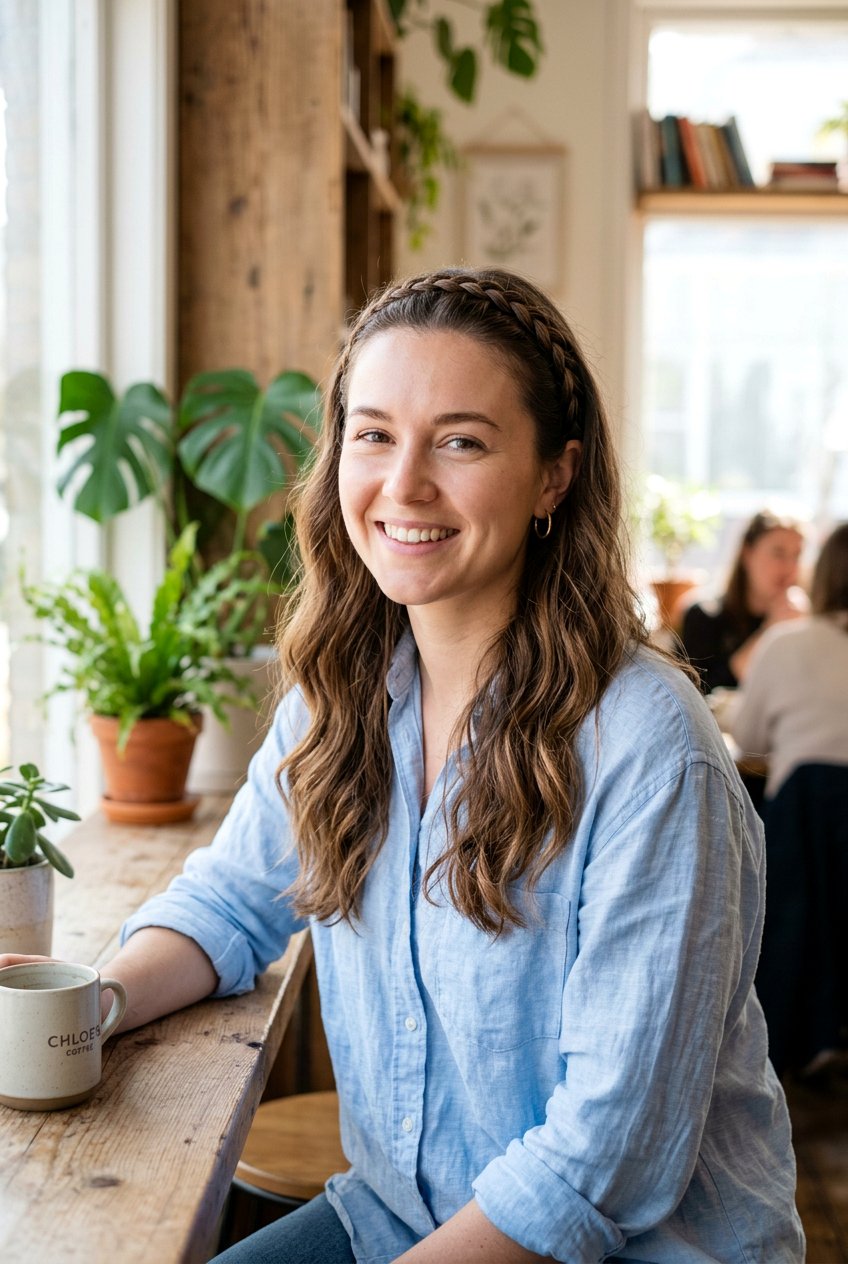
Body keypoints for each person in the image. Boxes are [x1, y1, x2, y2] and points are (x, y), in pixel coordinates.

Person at [0, 268, 804, 1263]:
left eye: (460, 440)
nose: (404, 484)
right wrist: (87, 1006)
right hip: (395, 1214)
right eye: (373, 434)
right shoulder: (342, 693)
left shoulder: (649, 747)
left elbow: (600, 1161)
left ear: (554, 474)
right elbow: (231, 900)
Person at [729, 522, 848, 1078]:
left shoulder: (789, 641)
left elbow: (749, 742)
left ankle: (793, 1041)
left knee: (790, 906)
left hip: (804, 810)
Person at [680, 509, 807, 693]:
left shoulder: (801, 620)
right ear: (747, 554)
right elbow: (700, 693)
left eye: (797, 556)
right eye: (778, 553)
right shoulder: (704, 615)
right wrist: (770, 630)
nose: (789, 567)